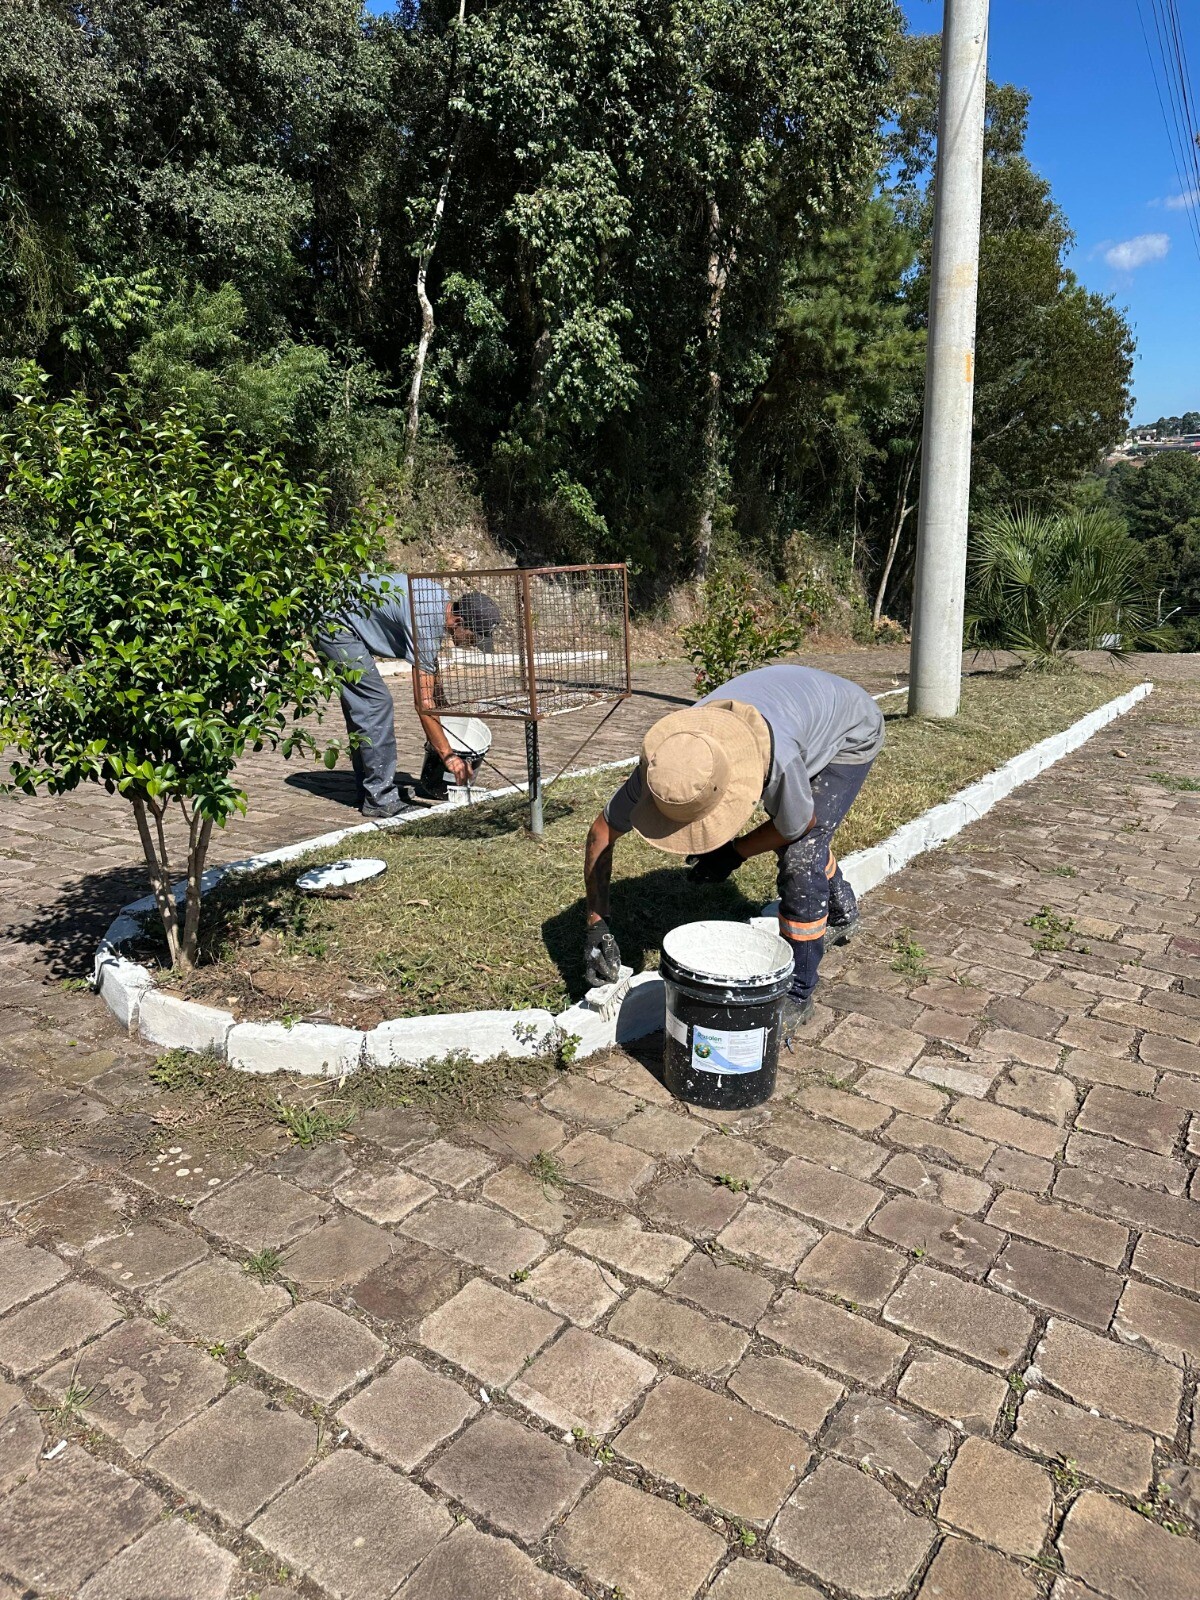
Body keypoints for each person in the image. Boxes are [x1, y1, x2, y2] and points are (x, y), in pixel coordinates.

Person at [582, 663, 884, 1036]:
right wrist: (596, 923)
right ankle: (841, 908)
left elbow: (796, 825)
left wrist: (734, 852)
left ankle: (800, 992)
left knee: (801, 855)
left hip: (851, 728)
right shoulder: (670, 763)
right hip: (795, 706)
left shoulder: (779, 761)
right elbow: (601, 830)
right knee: (795, 835)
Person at [317, 572, 501, 818]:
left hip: (341, 614)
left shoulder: (436, 603)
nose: (473, 643)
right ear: (458, 620)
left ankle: (369, 788)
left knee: (366, 705)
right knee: (375, 703)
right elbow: (423, 704)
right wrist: (448, 756)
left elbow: (429, 664)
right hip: (333, 625)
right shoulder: (426, 621)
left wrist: (443, 706)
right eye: (474, 636)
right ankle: (380, 799)